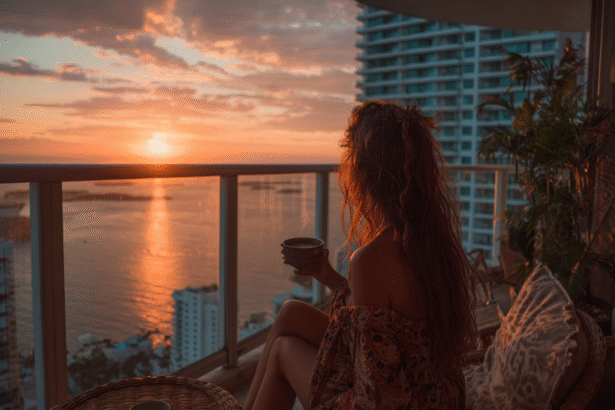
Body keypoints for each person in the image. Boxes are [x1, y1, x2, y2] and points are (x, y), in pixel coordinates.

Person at [244, 100, 475, 410]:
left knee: (283, 351)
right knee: (291, 313)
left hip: (405, 399)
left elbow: (375, 398)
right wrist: (325, 274)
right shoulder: (430, 239)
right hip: (434, 391)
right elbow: (386, 327)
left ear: (363, 173)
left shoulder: (371, 259)